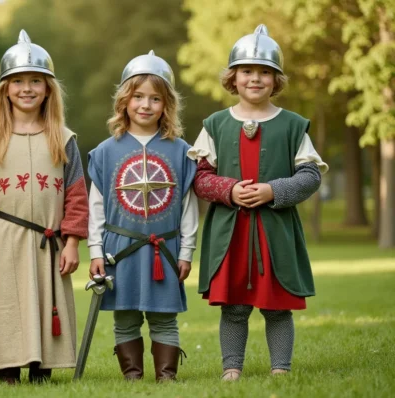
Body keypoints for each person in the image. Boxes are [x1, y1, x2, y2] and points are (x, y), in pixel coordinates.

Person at [187, 25, 329, 381]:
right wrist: (230, 189)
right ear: (232, 78)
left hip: (274, 231)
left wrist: (273, 191)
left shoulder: (293, 126)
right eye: (247, 71)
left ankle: (281, 368)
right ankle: (231, 367)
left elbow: (310, 176)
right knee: (234, 308)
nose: (255, 79)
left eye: (265, 72)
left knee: (277, 307)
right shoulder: (215, 124)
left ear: (276, 80)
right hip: (230, 233)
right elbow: (200, 177)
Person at [0, 30, 89, 384]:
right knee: (7, 305)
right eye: (18, 81)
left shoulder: (62, 138)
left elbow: (77, 196)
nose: (27, 88)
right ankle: (8, 370)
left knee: (45, 300)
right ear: (5, 89)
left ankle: (42, 369)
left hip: (49, 241)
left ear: (48, 88)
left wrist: (71, 241)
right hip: (4, 239)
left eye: (36, 81)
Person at [88, 50, 198, 382]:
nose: (145, 105)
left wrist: (187, 251)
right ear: (124, 100)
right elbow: (96, 207)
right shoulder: (105, 151)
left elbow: (189, 206)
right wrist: (95, 251)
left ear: (167, 105)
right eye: (138, 97)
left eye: (155, 98)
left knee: (164, 315)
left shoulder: (182, 151)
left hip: (163, 248)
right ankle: (132, 377)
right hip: (119, 248)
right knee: (125, 316)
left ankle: (167, 376)